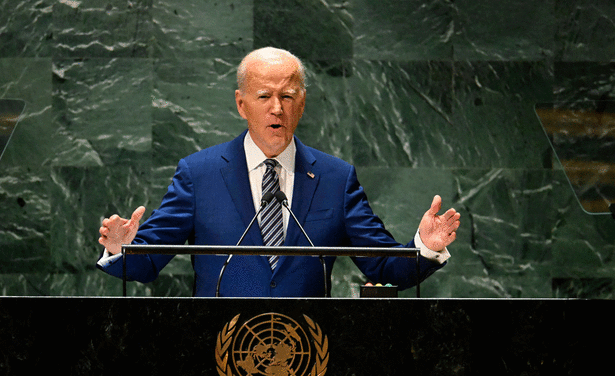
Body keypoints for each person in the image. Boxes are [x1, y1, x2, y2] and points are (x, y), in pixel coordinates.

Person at [97, 47, 461, 297]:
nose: (277, 109)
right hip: (221, 351)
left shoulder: (335, 179)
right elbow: (146, 264)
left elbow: (383, 266)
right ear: (241, 104)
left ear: (301, 103)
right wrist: (120, 249)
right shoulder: (199, 174)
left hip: (306, 353)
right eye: (264, 97)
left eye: (287, 96)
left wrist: (424, 248)